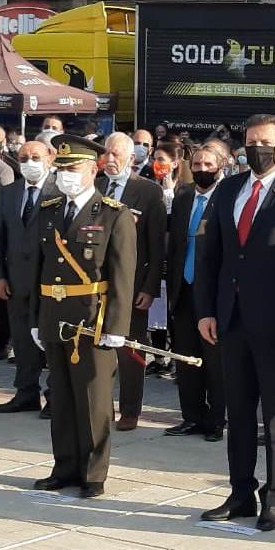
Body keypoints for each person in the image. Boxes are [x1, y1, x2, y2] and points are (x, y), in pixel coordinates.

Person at [193, 113, 275, 533]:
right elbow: (211, 257)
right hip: (231, 321)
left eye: (265, 141)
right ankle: (240, 493)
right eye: (250, 142)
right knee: (238, 412)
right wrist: (206, 310)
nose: (257, 149)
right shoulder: (229, 188)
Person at [16, 135, 136, 499]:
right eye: (62, 168)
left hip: (92, 318)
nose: (67, 175)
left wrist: (116, 326)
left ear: (93, 169)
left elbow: (121, 276)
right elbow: (39, 268)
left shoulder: (115, 214)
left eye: (74, 168)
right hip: (55, 315)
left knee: (94, 399)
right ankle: (64, 466)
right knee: (62, 397)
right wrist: (37, 318)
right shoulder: (50, 210)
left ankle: (93, 472)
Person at [96, 132, 166, 430]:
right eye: (106, 154)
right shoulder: (95, 185)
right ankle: (99, 406)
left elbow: (156, 245)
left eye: (117, 155)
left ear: (132, 159)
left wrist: (150, 287)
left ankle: (130, 409)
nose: (110, 160)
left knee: (130, 348)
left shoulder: (148, 192)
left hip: (133, 284)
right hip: (95, 283)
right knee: (97, 349)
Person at [164, 144, 226, 440]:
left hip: (212, 292)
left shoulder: (228, 197)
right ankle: (191, 416)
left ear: (221, 166)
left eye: (208, 164)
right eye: (197, 163)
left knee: (215, 361)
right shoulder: (183, 195)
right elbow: (175, 244)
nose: (202, 169)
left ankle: (216, 420)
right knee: (185, 357)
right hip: (183, 289)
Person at [0, 138, 56, 414]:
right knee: (21, 339)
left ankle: (55, 396)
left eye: (36, 157)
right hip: (16, 281)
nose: (30, 162)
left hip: (50, 282)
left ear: (50, 158)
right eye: (24, 157)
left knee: (52, 341)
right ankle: (25, 392)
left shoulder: (60, 190)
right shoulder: (8, 193)